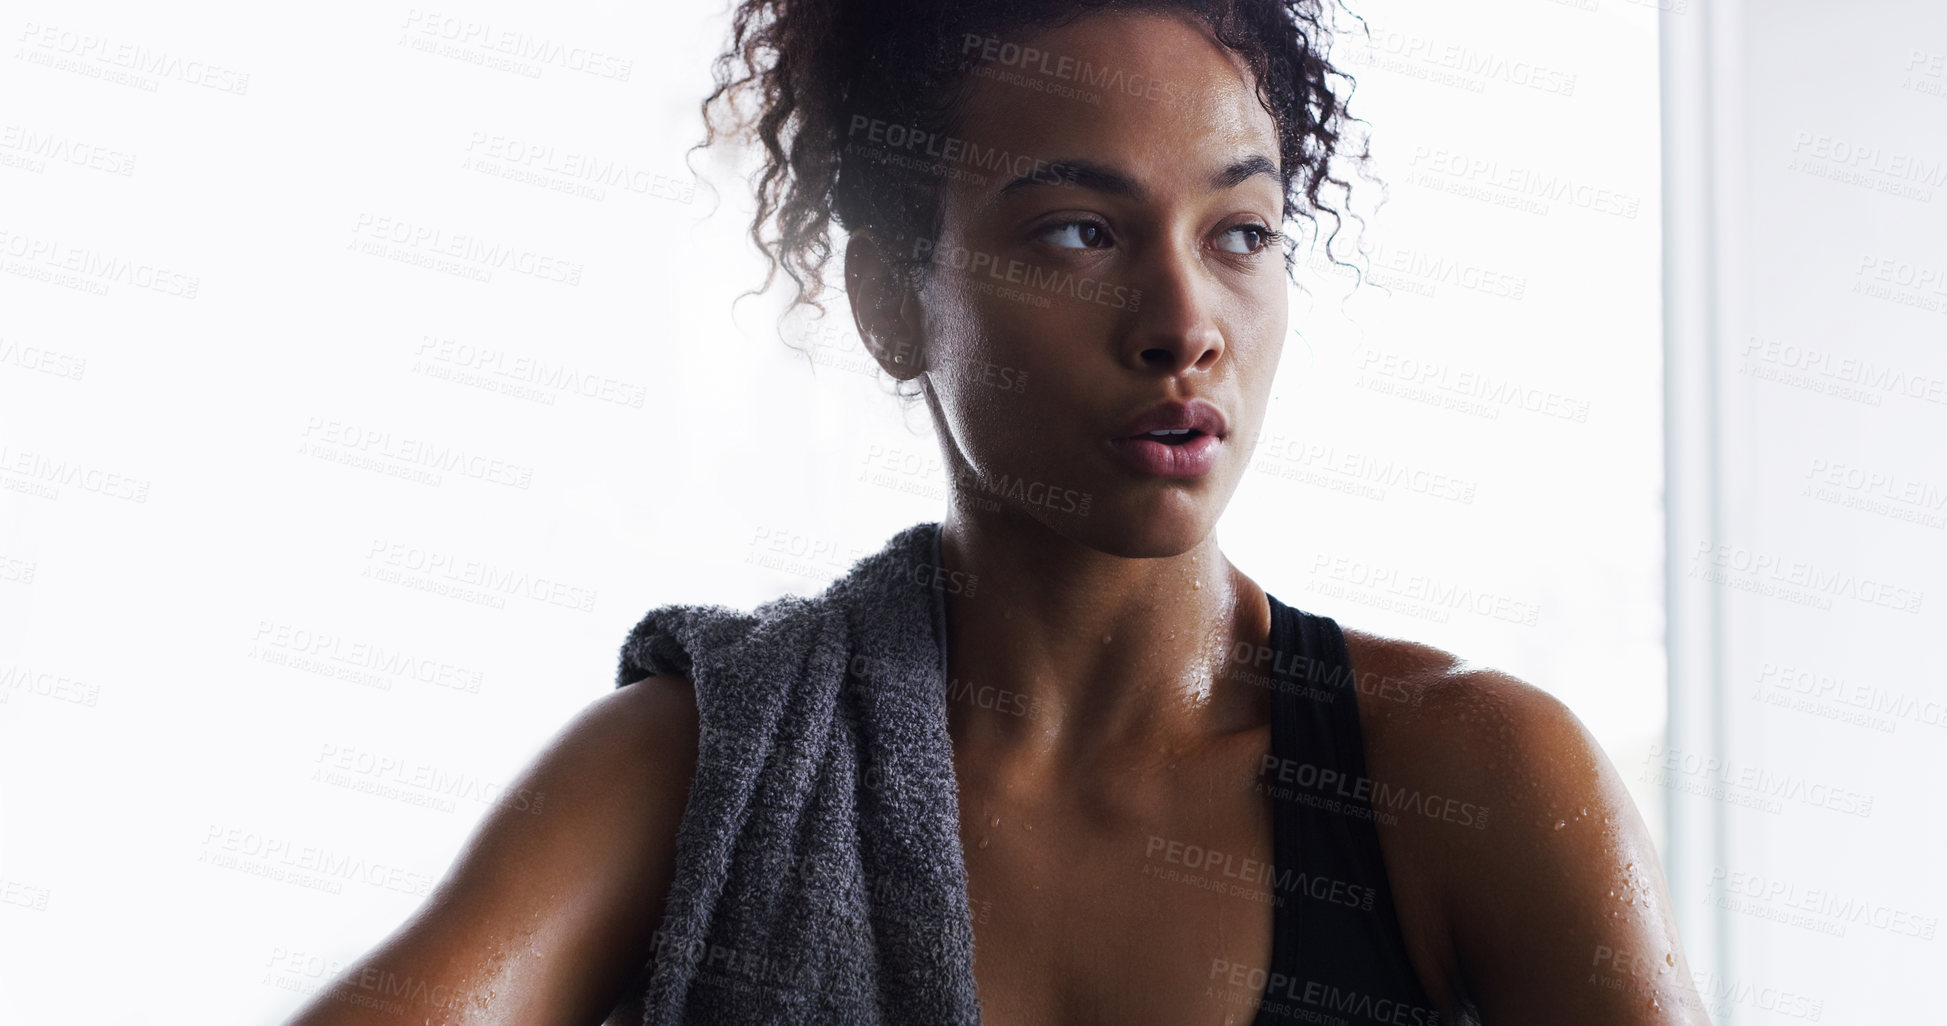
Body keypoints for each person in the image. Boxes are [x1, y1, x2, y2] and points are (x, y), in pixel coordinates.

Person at [281, 1, 1709, 1024]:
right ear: (894, 300)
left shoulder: (1471, 777)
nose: (1182, 323)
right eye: (1078, 231)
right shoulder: (693, 767)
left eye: (1241, 235)